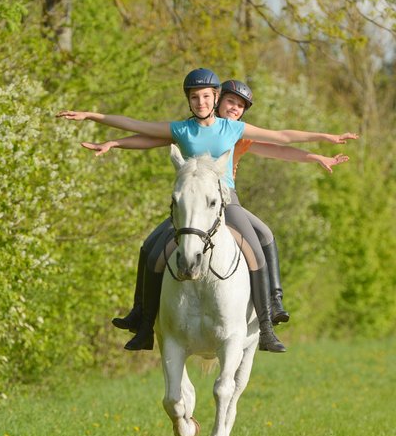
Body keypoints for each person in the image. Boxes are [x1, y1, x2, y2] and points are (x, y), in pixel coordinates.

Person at [57, 68, 358, 354]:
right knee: (150, 247)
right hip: (191, 205)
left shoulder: (233, 128)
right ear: (189, 101)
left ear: (215, 98)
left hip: (226, 202)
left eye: (206, 97)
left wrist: (325, 138)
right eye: (194, 98)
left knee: (257, 244)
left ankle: (266, 326)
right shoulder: (182, 129)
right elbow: (138, 128)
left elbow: (281, 137)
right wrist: (97, 124)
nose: (200, 102)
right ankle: (143, 321)